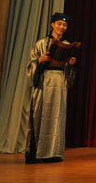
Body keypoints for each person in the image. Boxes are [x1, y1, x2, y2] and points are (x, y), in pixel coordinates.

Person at [25, 12, 77, 164]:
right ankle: (36, 153)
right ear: (52, 24)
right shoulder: (41, 43)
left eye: (64, 25)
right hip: (44, 81)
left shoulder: (66, 44)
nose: (62, 27)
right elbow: (31, 64)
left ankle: (53, 152)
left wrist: (70, 64)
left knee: (56, 117)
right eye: (59, 24)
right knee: (39, 115)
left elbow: (68, 71)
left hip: (59, 82)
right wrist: (40, 60)